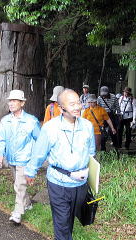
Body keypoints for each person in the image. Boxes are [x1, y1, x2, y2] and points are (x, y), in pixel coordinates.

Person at [25, 89, 95, 240]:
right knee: (62, 223)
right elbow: (39, 152)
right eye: (72, 104)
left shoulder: (87, 126)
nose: (77, 107)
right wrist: (31, 172)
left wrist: (91, 175)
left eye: (78, 102)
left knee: (69, 220)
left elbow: (91, 152)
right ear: (61, 107)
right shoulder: (50, 128)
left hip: (80, 185)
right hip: (59, 183)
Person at [0, 90, 40, 224]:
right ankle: (27, 203)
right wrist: (0, 153)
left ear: (22, 103)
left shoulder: (31, 121)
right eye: (10, 101)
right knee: (18, 183)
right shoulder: (5, 120)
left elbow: (40, 140)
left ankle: (17, 213)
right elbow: (1, 139)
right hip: (11, 158)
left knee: (19, 185)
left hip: (25, 158)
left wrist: (35, 159)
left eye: (15, 101)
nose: (11, 103)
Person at [97, 86, 120, 150]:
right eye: (103, 94)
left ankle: (116, 147)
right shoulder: (99, 98)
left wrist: (119, 114)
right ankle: (103, 149)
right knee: (103, 132)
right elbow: (98, 108)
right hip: (103, 115)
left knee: (112, 131)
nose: (104, 96)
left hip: (111, 115)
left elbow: (117, 106)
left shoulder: (113, 97)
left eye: (105, 94)